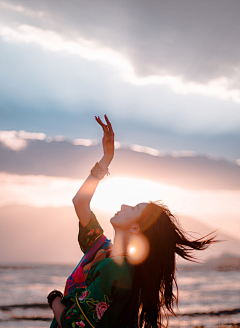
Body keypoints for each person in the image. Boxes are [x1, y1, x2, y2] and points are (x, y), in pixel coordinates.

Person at [47, 115, 215, 328]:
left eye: (133, 209)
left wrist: (54, 299)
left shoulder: (113, 268)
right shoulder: (102, 248)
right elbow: (80, 201)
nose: (124, 205)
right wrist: (106, 159)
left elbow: (74, 324)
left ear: (136, 227)